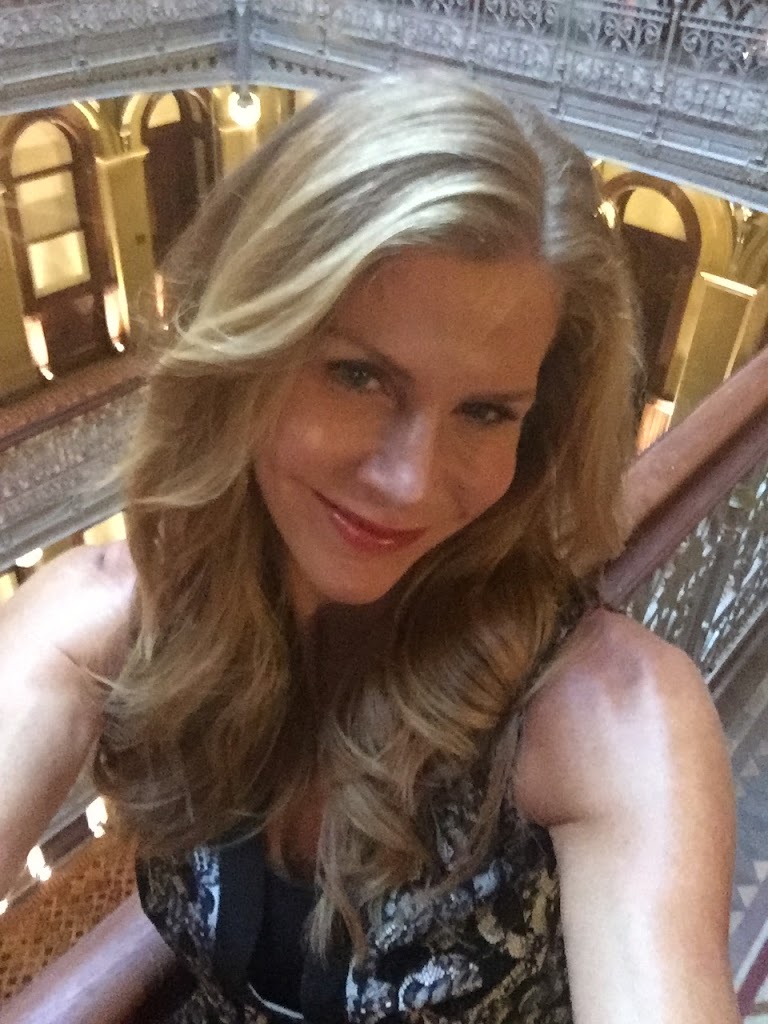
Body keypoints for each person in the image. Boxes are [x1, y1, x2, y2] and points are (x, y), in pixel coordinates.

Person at [0, 71, 739, 1024]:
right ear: (246, 352)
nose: (410, 481)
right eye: (357, 376)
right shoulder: (111, 621)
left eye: (485, 411)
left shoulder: (611, 717)